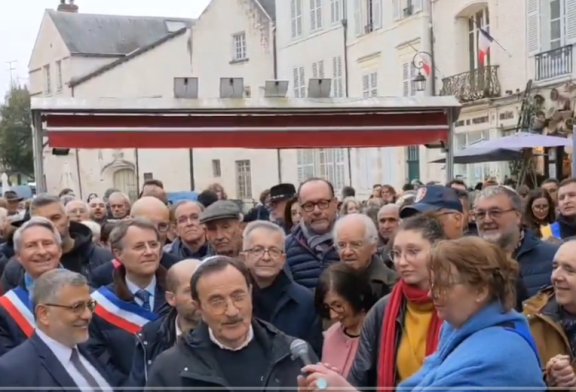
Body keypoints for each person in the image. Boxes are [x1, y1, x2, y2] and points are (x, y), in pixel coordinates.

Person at [299, 236, 546, 392]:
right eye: (432, 283)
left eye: (444, 285)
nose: (432, 294)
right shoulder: (458, 332)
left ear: (481, 289)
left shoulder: (499, 356)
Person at [146, 256, 315, 389]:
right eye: (217, 301)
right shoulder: (169, 369)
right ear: (199, 308)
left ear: (250, 294)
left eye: (238, 296)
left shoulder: (295, 355)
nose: (232, 311)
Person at [346, 215, 446, 388]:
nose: (402, 262)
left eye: (413, 251)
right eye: (397, 253)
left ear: (438, 251)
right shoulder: (382, 310)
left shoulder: (459, 306)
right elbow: (359, 379)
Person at [0, 269, 114, 390]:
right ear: (44, 314)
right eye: (77, 307)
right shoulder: (14, 370)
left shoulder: (89, 349)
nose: (88, 315)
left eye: (90, 305)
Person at [87, 218, 169, 385]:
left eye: (153, 245)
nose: (149, 252)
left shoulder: (178, 295)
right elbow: (93, 352)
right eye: (139, 247)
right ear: (118, 253)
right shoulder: (95, 302)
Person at [1, 195, 113, 292]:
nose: (49, 225)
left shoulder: (103, 259)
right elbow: (9, 311)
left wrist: (84, 307)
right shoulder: (15, 267)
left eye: (55, 218)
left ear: (68, 220)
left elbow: (110, 305)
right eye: (41, 220)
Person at [243, 220, 322, 354]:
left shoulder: (305, 301)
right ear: (245, 256)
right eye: (257, 250)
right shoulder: (234, 300)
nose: (266, 257)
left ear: (283, 259)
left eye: (274, 251)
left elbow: (313, 354)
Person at [128, 258, 202, 387]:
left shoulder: (225, 331)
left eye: (203, 288)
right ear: (171, 298)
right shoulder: (149, 336)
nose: (199, 297)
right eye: (190, 291)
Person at [475, 185, 557, 296]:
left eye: (495, 212)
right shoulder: (465, 262)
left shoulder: (553, 258)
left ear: (518, 216)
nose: (487, 220)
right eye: (480, 214)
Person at [0, 217, 63, 355]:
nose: (41, 251)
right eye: (31, 245)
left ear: (59, 250)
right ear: (18, 256)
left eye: (47, 243)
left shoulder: (89, 296)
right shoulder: (5, 309)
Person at [524, 239, 576, 387]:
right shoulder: (531, 320)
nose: (555, 277)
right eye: (555, 267)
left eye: (569, 270)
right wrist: (548, 380)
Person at [315, 263, 376, 377]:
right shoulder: (331, 335)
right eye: (327, 307)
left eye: (338, 305)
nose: (333, 315)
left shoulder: (378, 336)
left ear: (357, 297)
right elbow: (324, 384)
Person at [285, 178, 339, 289]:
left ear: (335, 204)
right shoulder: (286, 247)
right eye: (309, 205)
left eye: (323, 203)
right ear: (301, 209)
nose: (317, 211)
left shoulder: (355, 240)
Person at [333, 214, 397, 299]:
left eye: (356, 244)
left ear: (373, 247)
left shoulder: (393, 286)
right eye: (342, 245)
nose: (347, 252)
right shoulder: (331, 283)